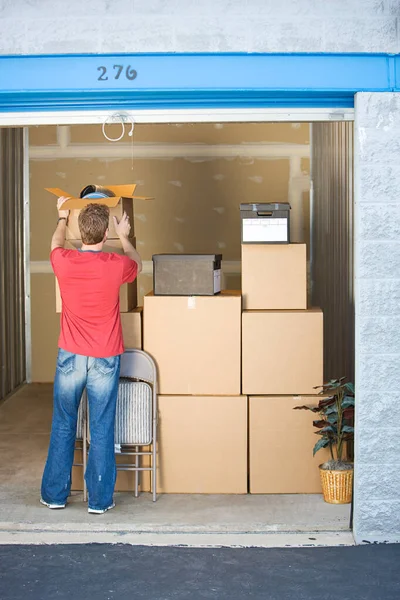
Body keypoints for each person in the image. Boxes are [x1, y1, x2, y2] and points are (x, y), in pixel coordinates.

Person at [40, 196, 142, 514]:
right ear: (104, 234)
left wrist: (61, 217)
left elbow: (55, 243)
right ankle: (98, 501)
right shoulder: (115, 265)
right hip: (104, 358)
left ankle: (55, 496)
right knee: (100, 427)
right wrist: (124, 234)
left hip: (71, 355)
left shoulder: (65, 261)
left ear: (80, 231)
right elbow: (136, 264)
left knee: (63, 425)